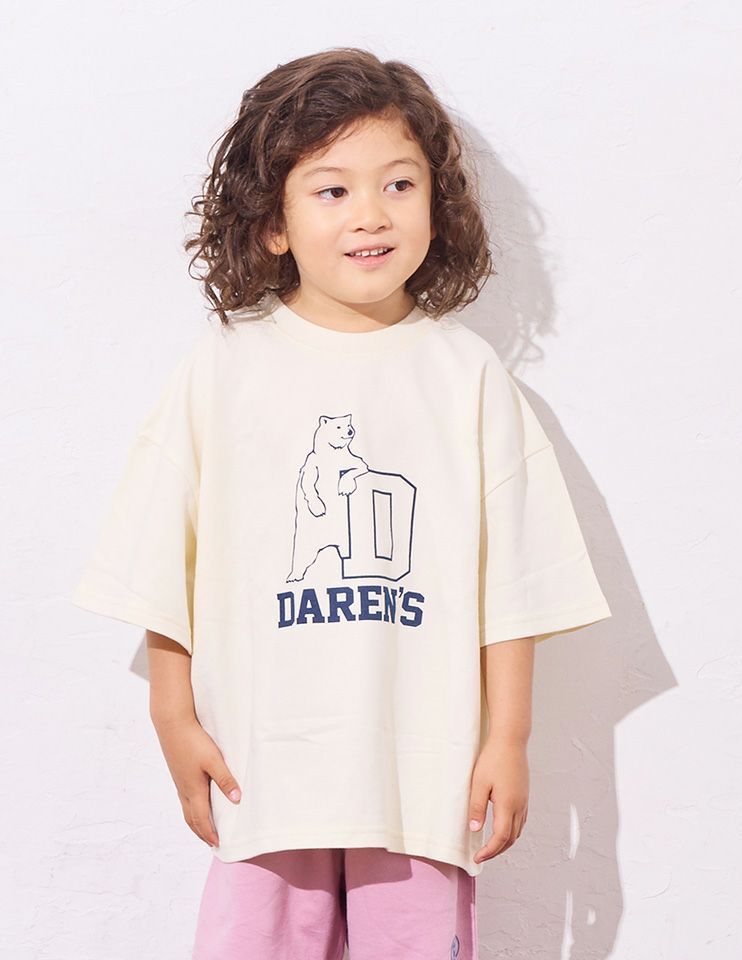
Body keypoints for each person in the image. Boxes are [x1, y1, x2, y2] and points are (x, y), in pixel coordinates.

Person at [71, 47, 612, 960]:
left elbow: (515, 583)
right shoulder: (223, 371)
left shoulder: (466, 378)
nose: (371, 214)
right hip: (264, 774)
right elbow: (164, 563)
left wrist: (509, 739)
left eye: (399, 184)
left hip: (420, 780)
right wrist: (173, 716)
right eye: (332, 190)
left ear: (437, 203)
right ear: (271, 223)